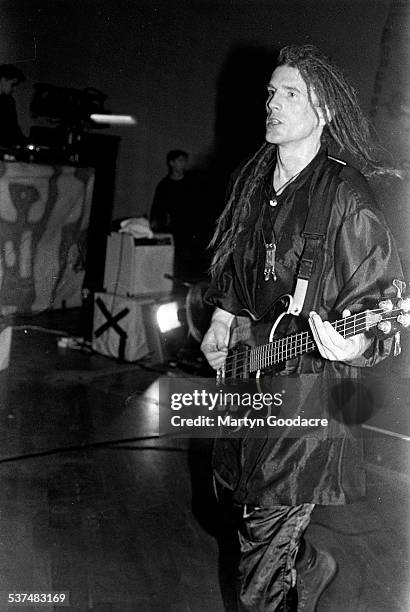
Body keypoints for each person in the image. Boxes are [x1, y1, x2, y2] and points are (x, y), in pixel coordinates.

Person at [200, 44, 404, 611]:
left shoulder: (345, 195)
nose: (273, 102)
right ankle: (308, 565)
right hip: (253, 373)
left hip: (313, 393)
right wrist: (223, 317)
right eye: (271, 91)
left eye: (290, 93)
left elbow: (384, 298)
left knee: (259, 555)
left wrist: (360, 338)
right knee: (228, 501)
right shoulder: (256, 180)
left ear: (325, 111)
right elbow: (240, 266)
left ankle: (284, 582)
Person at [150, 149, 196, 277]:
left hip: (190, 230)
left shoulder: (191, 183)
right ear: (172, 163)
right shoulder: (165, 186)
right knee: (171, 262)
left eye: (185, 161)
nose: (184, 164)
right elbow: (158, 209)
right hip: (172, 230)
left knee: (188, 263)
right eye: (180, 161)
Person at [0, 64, 26, 146]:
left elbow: (13, 128)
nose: (14, 89)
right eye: (13, 84)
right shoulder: (9, 101)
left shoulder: (9, 101)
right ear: (3, 80)